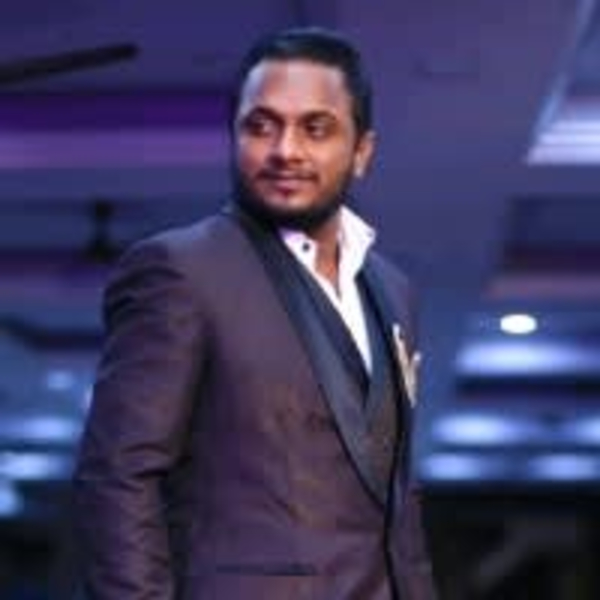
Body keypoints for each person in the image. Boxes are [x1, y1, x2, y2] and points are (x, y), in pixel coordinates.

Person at [73, 26, 437, 600]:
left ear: (362, 151)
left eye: (315, 128)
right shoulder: (181, 270)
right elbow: (118, 478)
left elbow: (394, 495)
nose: (285, 150)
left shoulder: (393, 289)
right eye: (261, 126)